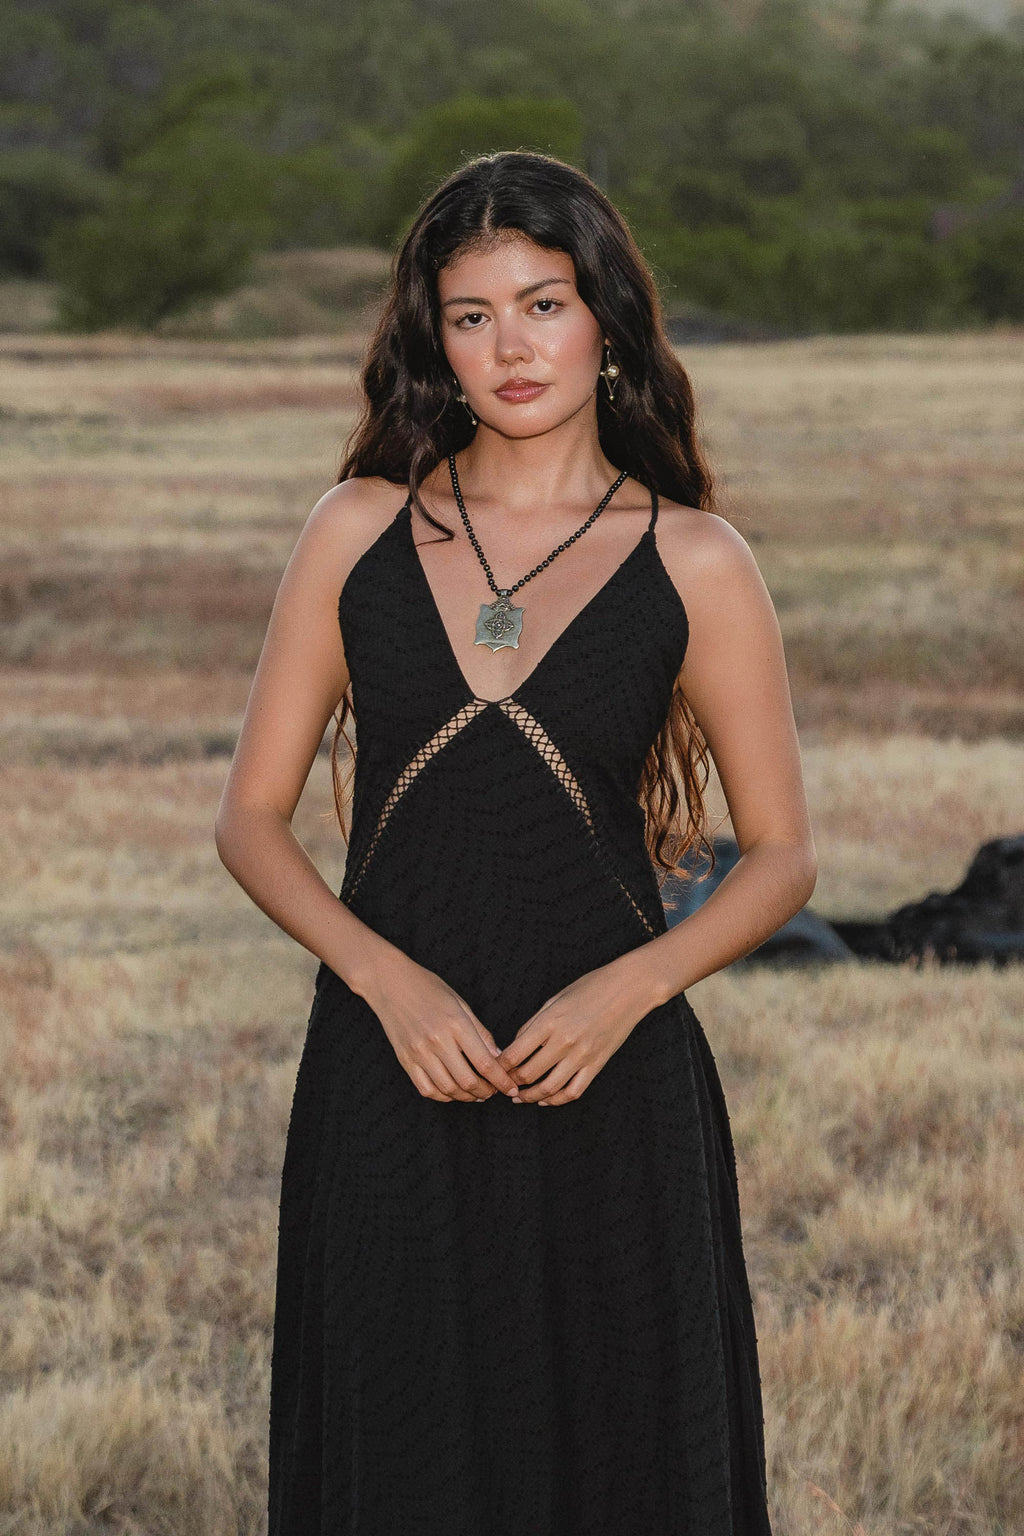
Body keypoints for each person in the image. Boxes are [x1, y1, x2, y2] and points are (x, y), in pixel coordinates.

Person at [215, 149, 817, 1536]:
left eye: (543, 303)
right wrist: (387, 982)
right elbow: (250, 821)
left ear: (607, 320)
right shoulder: (356, 530)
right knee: (402, 1442)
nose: (510, 345)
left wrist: (630, 988)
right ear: (433, 336)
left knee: (623, 1448)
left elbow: (783, 855)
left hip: (606, 1071)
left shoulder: (698, 559)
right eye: (471, 313)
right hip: (391, 1068)